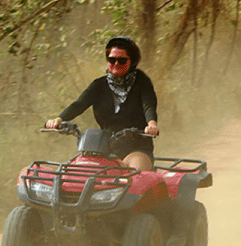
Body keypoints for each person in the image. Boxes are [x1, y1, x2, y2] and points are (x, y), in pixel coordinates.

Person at [45, 36, 159, 171]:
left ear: (132, 61)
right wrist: (58, 120)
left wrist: (151, 124)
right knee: (80, 176)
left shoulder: (142, 82)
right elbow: (78, 105)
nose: (116, 64)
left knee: (137, 176)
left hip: (136, 149)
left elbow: (149, 105)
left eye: (122, 60)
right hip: (105, 151)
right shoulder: (98, 85)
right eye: (112, 60)